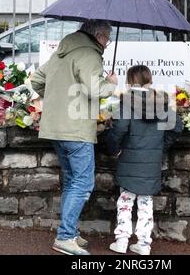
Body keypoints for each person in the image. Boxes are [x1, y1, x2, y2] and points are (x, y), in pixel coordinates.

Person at [30, 19, 118, 255]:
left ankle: (69, 232)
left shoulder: (62, 51)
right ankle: (65, 236)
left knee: (72, 181)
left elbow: (37, 81)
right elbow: (96, 90)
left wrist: (59, 99)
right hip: (76, 129)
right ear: (98, 35)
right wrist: (110, 83)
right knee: (83, 183)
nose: (108, 44)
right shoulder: (89, 54)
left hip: (55, 127)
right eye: (107, 38)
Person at [103, 65, 182, 255]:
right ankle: (144, 244)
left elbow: (118, 130)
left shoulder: (126, 103)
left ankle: (121, 242)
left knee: (125, 201)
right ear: (149, 79)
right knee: (146, 203)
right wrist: (161, 146)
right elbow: (177, 127)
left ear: (130, 81)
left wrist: (114, 150)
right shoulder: (161, 102)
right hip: (151, 161)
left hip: (129, 158)